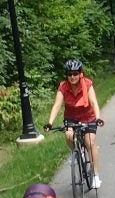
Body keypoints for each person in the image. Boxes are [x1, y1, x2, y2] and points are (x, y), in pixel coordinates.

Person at [43, 59, 105, 189]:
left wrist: (98, 117)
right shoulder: (63, 87)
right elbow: (57, 105)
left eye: (75, 73)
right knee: (69, 136)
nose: (72, 77)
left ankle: (95, 176)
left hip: (88, 116)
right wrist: (50, 123)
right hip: (71, 117)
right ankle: (78, 153)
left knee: (90, 142)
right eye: (69, 74)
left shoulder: (87, 84)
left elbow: (93, 102)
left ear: (80, 73)